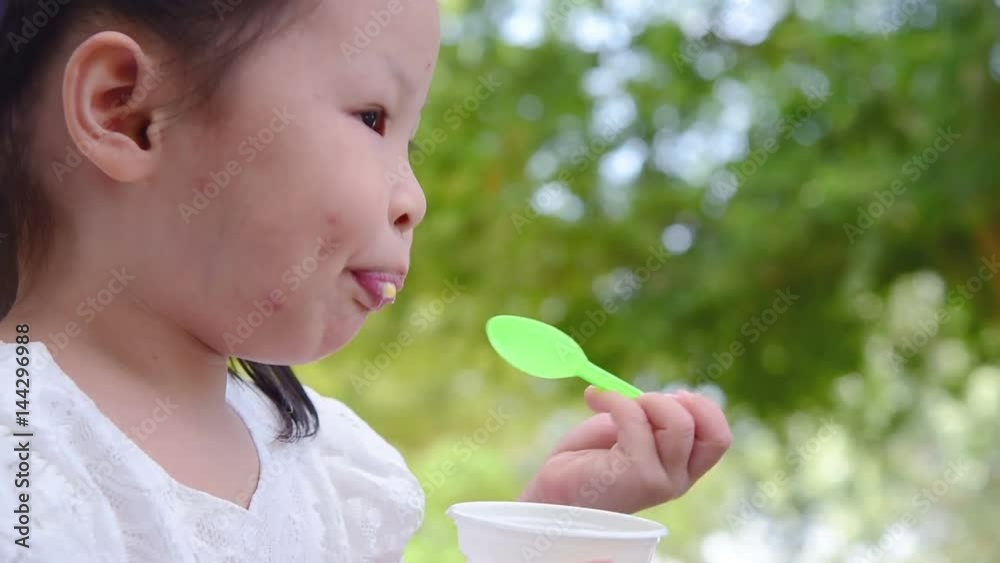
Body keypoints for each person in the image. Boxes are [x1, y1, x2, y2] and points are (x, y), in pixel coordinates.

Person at [0, 0, 733, 560]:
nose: (414, 198)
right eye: (373, 117)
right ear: (129, 111)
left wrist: (554, 524)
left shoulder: (335, 471)